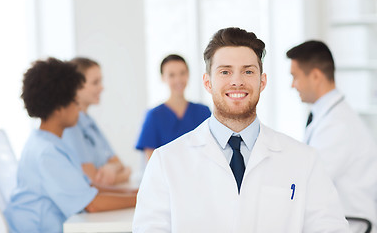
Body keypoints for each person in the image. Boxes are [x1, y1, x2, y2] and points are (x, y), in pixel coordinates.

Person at [133, 27, 350, 232]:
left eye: (248, 71)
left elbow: (329, 228)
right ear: (207, 82)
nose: (237, 81)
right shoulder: (165, 162)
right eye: (225, 72)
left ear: (262, 81)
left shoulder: (304, 160)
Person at [4, 58, 136, 233]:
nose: (78, 109)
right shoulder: (47, 152)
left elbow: (89, 187)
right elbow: (92, 204)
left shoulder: (50, 142)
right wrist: (142, 199)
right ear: (59, 108)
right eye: (75, 102)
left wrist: (136, 193)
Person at [287, 40, 377, 231]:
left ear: (316, 76)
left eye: (295, 77)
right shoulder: (328, 116)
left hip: (351, 224)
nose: (292, 85)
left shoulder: (338, 125)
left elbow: (310, 181)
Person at [62, 57, 131, 186]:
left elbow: (119, 164)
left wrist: (112, 168)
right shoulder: (70, 126)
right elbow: (94, 180)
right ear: (76, 87)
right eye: (95, 83)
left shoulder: (89, 122)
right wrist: (124, 174)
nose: (102, 88)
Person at [135, 54, 211, 160]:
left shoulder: (203, 112)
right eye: (171, 75)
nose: (178, 79)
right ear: (163, 78)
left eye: (182, 73)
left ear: (188, 75)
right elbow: (151, 164)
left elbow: (212, 150)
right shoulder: (154, 116)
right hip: (166, 176)